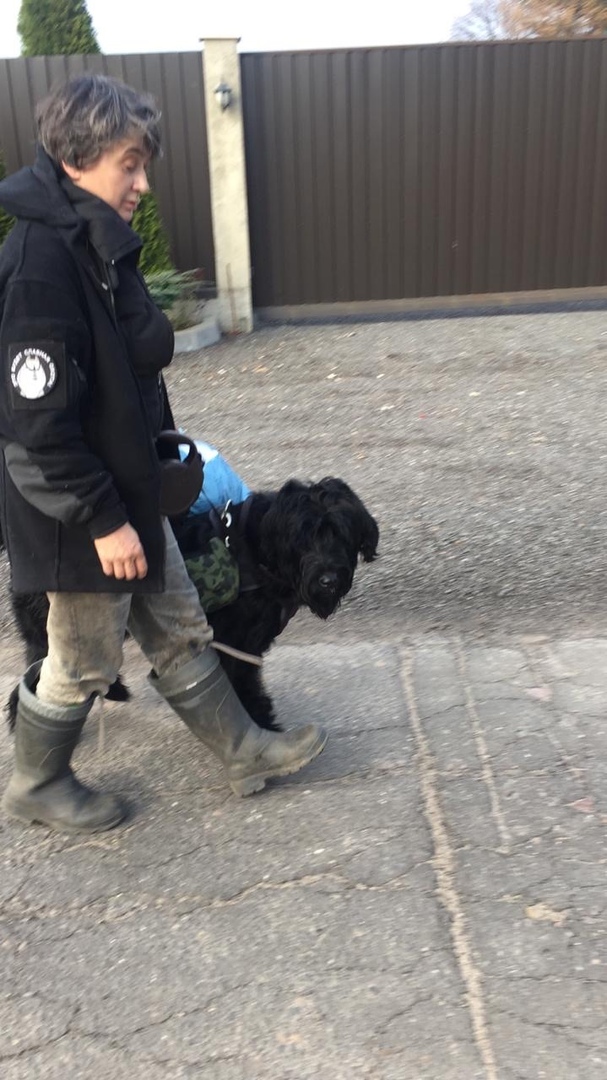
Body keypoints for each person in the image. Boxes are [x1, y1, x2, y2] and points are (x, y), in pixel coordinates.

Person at [0, 74, 327, 834]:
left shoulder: (92, 247)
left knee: (180, 625)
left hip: (132, 494)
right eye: (130, 164)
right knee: (82, 660)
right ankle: (37, 782)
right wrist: (104, 521)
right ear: (77, 159)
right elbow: (38, 429)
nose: (143, 183)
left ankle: (242, 748)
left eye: (144, 164)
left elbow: (130, 368)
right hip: (83, 518)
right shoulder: (40, 268)